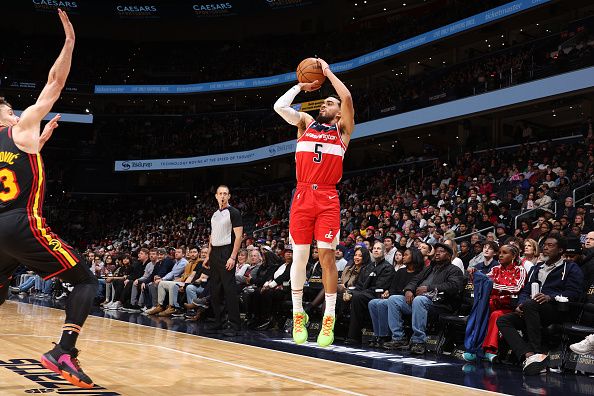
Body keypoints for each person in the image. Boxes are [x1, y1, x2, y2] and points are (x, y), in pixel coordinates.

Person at [0, 10, 97, 389]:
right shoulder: (20, 127)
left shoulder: (20, 137)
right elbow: (54, 83)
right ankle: (64, 351)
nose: (15, 110)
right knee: (86, 280)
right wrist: (70, 43)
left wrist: (37, 147)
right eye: (9, 108)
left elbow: (12, 167)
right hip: (22, 223)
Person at [273, 57, 355, 346]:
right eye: (323, 102)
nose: (325, 104)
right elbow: (279, 107)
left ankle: (328, 318)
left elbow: (345, 96)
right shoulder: (306, 123)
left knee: (327, 257)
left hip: (328, 196)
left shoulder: (342, 132)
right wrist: (299, 86)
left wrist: (327, 71)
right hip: (303, 194)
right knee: (300, 256)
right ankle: (299, 314)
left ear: (338, 113)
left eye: (329, 104)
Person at [497, 235, 583, 375]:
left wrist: (551, 297)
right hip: (532, 309)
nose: (545, 247)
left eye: (550, 245)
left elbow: (574, 293)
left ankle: (537, 352)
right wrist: (520, 304)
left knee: (531, 304)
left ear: (561, 250)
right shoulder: (537, 268)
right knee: (503, 320)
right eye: (544, 245)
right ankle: (529, 355)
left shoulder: (571, 268)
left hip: (556, 310)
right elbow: (525, 290)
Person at [383, 243, 465, 354]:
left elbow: (454, 286)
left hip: (439, 304)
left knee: (419, 300)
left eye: (441, 251)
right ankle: (398, 338)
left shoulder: (454, 270)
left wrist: (429, 288)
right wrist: (408, 290)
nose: (437, 253)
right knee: (394, 299)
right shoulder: (429, 268)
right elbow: (415, 280)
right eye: (436, 250)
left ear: (449, 256)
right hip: (420, 301)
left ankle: (418, 341)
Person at [463, 244, 526, 362]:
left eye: (504, 253)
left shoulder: (520, 270)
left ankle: (489, 350)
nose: (500, 255)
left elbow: (516, 288)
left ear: (514, 255)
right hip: (494, 303)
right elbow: (484, 281)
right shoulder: (495, 269)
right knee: (480, 309)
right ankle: (474, 348)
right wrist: (475, 273)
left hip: (509, 307)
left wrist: (493, 285)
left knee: (495, 315)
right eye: (500, 252)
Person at [203, 185, 243, 337]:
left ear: (229, 196)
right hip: (215, 253)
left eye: (225, 193)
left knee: (229, 290)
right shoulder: (214, 214)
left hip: (227, 251)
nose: (223, 196)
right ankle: (219, 322)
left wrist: (233, 256)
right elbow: (212, 236)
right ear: (216, 196)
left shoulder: (234, 212)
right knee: (215, 290)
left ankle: (234, 325)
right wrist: (208, 254)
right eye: (220, 193)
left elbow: (238, 236)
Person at [368, 247, 424, 348]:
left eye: (406, 254)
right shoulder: (400, 272)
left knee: (393, 299)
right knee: (374, 303)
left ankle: (399, 337)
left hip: (412, 302)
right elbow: (393, 289)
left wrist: (399, 294)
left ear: (414, 256)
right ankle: (381, 335)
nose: (403, 257)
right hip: (397, 300)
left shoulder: (421, 273)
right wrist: (388, 294)